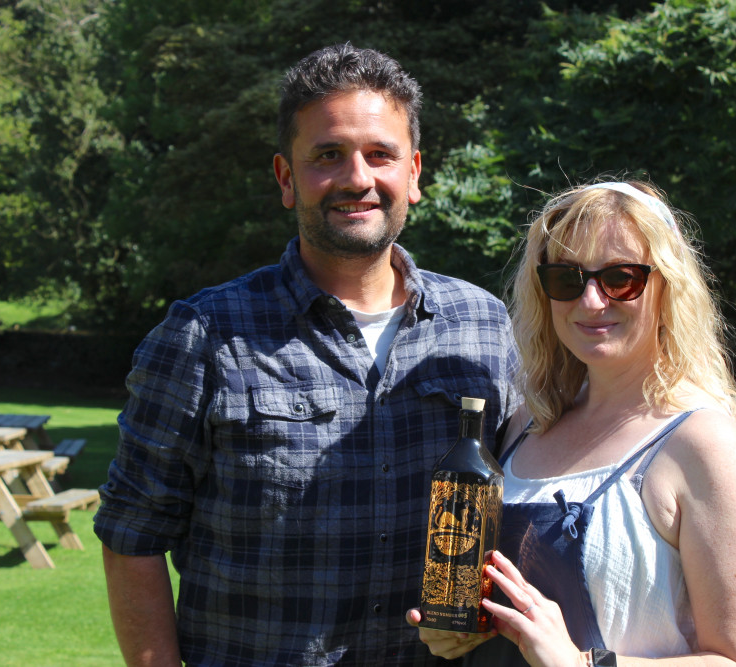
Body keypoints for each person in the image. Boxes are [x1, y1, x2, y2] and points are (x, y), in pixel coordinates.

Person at [94, 43, 519, 667]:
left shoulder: (483, 326)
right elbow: (131, 533)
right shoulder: (205, 336)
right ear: (287, 179)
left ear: (416, 174)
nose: (357, 178)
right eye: (328, 155)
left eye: (381, 155)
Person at [407, 180, 736, 666]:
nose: (590, 302)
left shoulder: (706, 446)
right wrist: (459, 629)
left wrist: (583, 664)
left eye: (620, 278)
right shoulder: (528, 423)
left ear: (668, 284)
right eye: (566, 278)